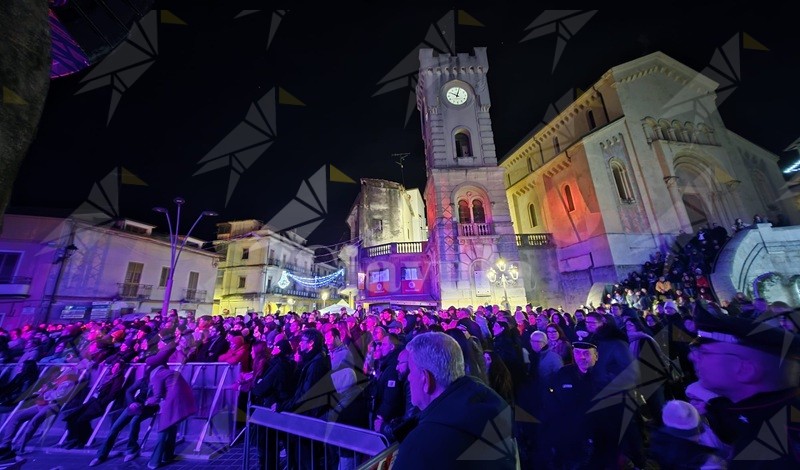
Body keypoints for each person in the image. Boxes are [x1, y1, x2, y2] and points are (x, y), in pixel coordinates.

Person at [689, 303, 800, 468]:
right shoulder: (765, 416)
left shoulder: (773, 454)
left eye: (704, 352)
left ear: (745, 370)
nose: (692, 357)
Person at [393, 332, 516, 469]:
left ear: (425, 379)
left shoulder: (420, 446)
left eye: (411, 371)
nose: (408, 377)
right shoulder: (490, 410)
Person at [145, 345, 197, 469]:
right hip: (185, 400)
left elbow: (157, 396)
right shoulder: (169, 372)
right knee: (172, 426)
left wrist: (147, 402)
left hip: (172, 401)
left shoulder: (157, 375)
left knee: (163, 429)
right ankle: (168, 455)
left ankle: (154, 461)